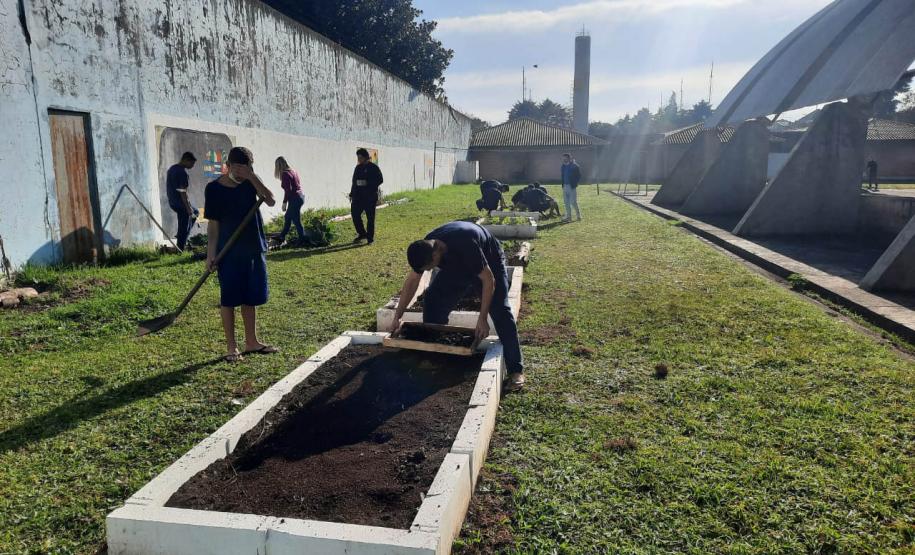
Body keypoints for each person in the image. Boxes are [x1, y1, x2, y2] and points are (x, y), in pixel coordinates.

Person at [391, 221, 526, 391]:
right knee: (433, 298)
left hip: (489, 262)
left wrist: (482, 318)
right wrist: (398, 316)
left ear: (435, 256)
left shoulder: (464, 242)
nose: (428, 270)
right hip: (456, 265)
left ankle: (516, 370)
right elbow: (412, 282)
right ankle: (436, 354)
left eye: (429, 267)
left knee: (501, 311)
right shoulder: (426, 247)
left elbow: (488, 279)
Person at [204, 146, 278, 362]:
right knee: (229, 299)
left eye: (247, 168)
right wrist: (210, 254)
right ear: (229, 166)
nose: (242, 174)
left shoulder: (250, 183)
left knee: (250, 297)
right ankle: (231, 347)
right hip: (228, 252)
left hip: (254, 248)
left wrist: (252, 177)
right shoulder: (214, 189)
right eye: (239, 169)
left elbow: (271, 200)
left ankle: (251, 342)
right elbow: (213, 225)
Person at [350, 148, 384, 244]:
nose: (359, 159)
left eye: (360, 157)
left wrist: (368, 183)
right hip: (358, 197)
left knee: (370, 218)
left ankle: (370, 238)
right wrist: (352, 193)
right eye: (358, 157)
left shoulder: (373, 168)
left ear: (365, 157)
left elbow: (380, 180)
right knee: (355, 214)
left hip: (369, 197)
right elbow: (354, 182)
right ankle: (362, 233)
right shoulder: (358, 168)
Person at [166, 151, 197, 250]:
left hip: (172, 201)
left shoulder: (172, 169)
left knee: (194, 213)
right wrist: (188, 207)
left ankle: (181, 237)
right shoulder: (182, 172)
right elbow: (183, 192)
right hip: (180, 203)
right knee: (187, 220)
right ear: (186, 160)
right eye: (192, 163)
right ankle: (180, 246)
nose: (192, 166)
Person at [275, 156, 305, 245]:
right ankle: (282, 236)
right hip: (300, 197)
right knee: (290, 218)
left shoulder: (285, 174)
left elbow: (288, 190)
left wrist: (284, 202)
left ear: (279, 166)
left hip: (295, 198)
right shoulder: (293, 171)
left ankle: (302, 239)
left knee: (294, 220)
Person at [561, 153, 582, 222]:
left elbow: (579, 176)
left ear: (569, 158)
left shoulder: (574, 166)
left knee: (573, 202)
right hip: (565, 186)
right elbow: (562, 176)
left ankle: (578, 216)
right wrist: (563, 185)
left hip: (571, 186)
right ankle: (569, 217)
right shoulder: (563, 166)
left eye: (565, 158)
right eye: (563, 158)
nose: (563, 159)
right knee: (566, 203)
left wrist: (574, 183)